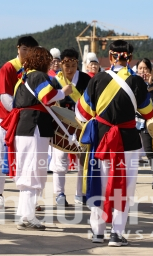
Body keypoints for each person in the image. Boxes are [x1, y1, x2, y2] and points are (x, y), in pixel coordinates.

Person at [76, 40, 153, 246]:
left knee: (99, 183)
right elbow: (148, 112)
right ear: (129, 57)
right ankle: (117, 234)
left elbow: (82, 113)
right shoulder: (137, 82)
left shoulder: (97, 79)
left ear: (111, 56)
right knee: (124, 186)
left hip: (101, 139)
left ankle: (97, 231)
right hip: (127, 139)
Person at [0, 47, 72, 230]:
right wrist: (64, 92)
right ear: (42, 61)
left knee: (27, 171)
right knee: (34, 171)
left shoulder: (22, 78)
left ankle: (25, 214)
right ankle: (28, 215)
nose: (50, 63)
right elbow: (47, 96)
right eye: (48, 60)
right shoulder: (38, 77)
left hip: (24, 127)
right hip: (35, 127)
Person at [0, 36, 38, 209]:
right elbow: (4, 96)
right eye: (24, 49)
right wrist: (19, 112)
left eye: (31, 50)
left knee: (24, 156)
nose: (27, 53)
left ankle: (27, 198)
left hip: (23, 118)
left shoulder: (33, 69)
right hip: (4, 117)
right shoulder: (8, 68)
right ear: (18, 48)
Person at [50, 48, 91, 206]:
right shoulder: (54, 81)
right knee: (59, 160)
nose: (70, 69)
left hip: (82, 126)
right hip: (60, 125)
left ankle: (80, 194)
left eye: (73, 65)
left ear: (77, 64)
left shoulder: (86, 80)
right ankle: (59, 193)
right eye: (66, 65)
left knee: (83, 161)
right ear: (61, 64)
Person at [135, 58, 153, 189]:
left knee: (149, 151)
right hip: (133, 121)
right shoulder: (133, 84)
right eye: (140, 69)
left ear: (150, 71)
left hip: (146, 122)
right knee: (129, 151)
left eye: (145, 69)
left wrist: (150, 86)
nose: (143, 71)